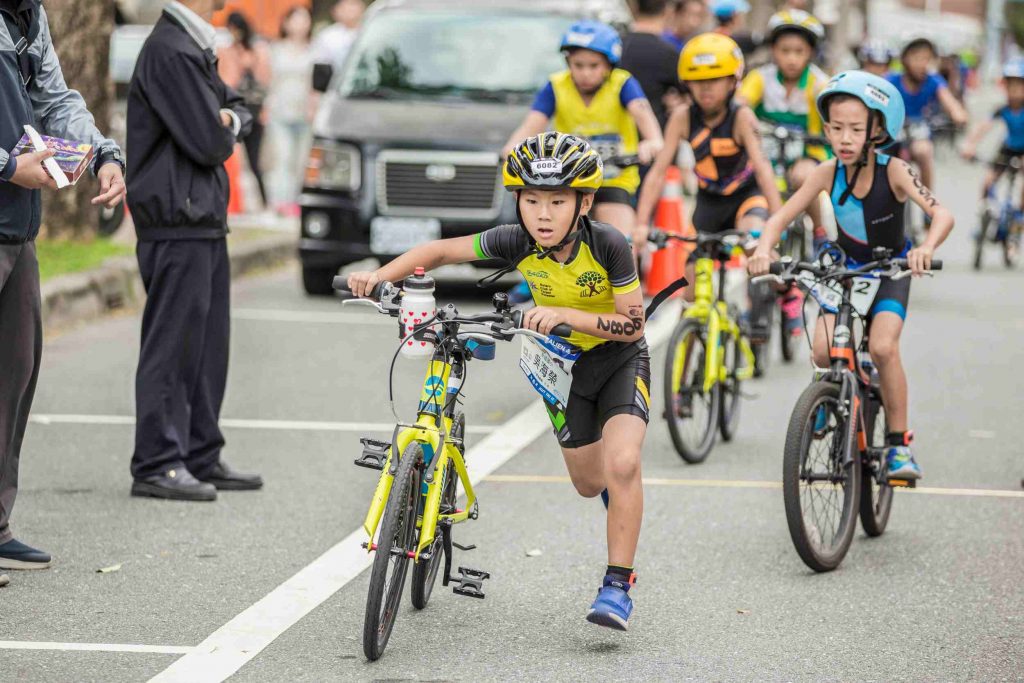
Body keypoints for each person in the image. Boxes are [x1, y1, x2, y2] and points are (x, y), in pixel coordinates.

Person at [348, 133, 650, 631]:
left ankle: (617, 585)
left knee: (623, 462)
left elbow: (634, 324)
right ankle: (620, 500)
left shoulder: (609, 244)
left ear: (585, 202)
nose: (543, 214)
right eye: (531, 201)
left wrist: (564, 315)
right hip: (564, 366)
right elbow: (441, 252)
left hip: (618, 358)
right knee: (589, 482)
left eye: (557, 201)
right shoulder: (517, 240)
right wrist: (381, 275)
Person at [749, 71, 955, 480]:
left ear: (876, 130)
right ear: (825, 129)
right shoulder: (825, 172)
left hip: (890, 269)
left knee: (882, 346)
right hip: (843, 270)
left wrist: (926, 248)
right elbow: (781, 218)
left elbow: (942, 214)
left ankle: (898, 444)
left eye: (855, 129)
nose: (844, 138)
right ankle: (832, 395)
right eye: (836, 128)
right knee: (824, 349)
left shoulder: (895, 170)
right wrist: (762, 248)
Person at [0, 0, 126, 573]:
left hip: (17, 228)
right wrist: (5, 166)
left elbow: (56, 100)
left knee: (16, 372)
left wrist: (102, 153)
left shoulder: (31, 16)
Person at [127, 0, 261, 501]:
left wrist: (228, 117)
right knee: (173, 345)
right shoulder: (170, 50)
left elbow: (241, 108)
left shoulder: (192, 46)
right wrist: (226, 121)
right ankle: (158, 462)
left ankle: (200, 453)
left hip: (199, 217)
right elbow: (210, 141)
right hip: (174, 218)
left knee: (207, 346)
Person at [504, 20, 663, 244]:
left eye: (594, 65)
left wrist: (652, 141)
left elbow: (643, 115)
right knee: (554, 241)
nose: (585, 73)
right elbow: (533, 123)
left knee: (621, 242)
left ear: (609, 65)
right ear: (568, 63)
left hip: (614, 179)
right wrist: (511, 148)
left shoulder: (623, 84)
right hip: (568, 181)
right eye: (578, 65)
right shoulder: (556, 85)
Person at [636, 33, 781, 277]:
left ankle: (786, 295)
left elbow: (763, 169)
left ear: (733, 81)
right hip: (708, 203)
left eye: (714, 79)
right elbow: (658, 171)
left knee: (756, 250)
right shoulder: (682, 117)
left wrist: (778, 220)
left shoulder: (742, 117)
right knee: (690, 288)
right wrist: (641, 224)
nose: (705, 87)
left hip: (746, 198)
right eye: (697, 80)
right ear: (686, 84)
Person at [737, 9, 828, 335]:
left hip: (807, 153)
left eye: (799, 52)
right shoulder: (760, 77)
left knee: (805, 177)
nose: (791, 58)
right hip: (768, 157)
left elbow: (834, 113)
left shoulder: (818, 83)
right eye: (784, 51)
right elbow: (741, 102)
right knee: (758, 213)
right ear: (774, 51)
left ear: (810, 53)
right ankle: (756, 302)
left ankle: (818, 232)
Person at [887, 37, 968, 194]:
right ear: (904, 59)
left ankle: (927, 204)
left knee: (924, 151)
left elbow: (950, 102)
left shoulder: (934, 81)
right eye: (917, 58)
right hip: (892, 135)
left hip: (919, 134)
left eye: (927, 59)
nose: (922, 64)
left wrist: (958, 114)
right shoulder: (892, 80)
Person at [218, 11, 272, 209]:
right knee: (233, 160)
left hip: (255, 113)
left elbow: (264, 82)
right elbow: (227, 82)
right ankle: (235, 202)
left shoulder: (258, 51)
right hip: (235, 110)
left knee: (255, 161)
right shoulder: (226, 51)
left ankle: (265, 202)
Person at [961, 60, 1024, 219]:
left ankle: (1018, 220)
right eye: (1011, 85)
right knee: (988, 181)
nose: (1014, 90)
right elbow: (983, 126)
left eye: (1019, 85)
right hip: (1007, 148)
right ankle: (984, 212)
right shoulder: (1003, 109)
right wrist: (970, 144)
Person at [267, 5, 314, 217]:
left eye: (304, 19)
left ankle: (296, 201)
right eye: (296, 19)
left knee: (301, 161)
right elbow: (269, 81)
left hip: (305, 113)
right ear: (286, 23)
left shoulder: (315, 49)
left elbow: (316, 84)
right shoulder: (276, 49)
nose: (300, 24)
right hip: (280, 112)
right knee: (283, 157)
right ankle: (279, 201)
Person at [620, 0, 685, 131]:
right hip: (659, 141)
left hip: (619, 140)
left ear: (633, 8)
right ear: (668, 11)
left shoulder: (615, 49)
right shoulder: (671, 54)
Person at [310, 0, 364, 71]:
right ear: (335, 11)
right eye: (345, 6)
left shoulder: (370, 33)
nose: (350, 9)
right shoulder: (327, 36)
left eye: (353, 4)